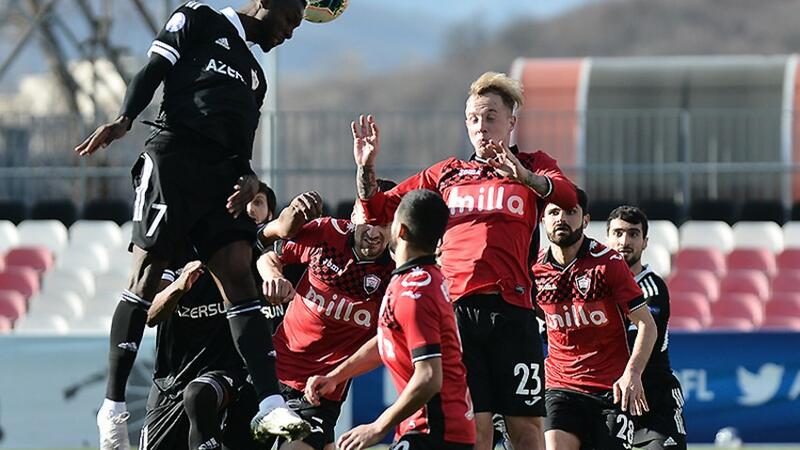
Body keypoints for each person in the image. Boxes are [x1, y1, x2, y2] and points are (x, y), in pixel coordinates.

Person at [74, 1, 311, 447]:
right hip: (174, 158)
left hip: (223, 177)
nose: (292, 33)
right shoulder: (200, 17)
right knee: (145, 278)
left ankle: (270, 405)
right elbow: (154, 67)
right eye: (291, 20)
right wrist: (125, 118)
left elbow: (243, 149)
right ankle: (113, 410)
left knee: (240, 280)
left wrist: (251, 178)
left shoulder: (255, 78)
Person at [351, 72, 577, 450]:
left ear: (511, 122)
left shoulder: (532, 164)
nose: (481, 127)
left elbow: (569, 197)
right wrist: (366, 168)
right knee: (478, 430)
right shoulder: (448, 173)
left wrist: (524, 177)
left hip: (513, 312)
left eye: (490, 117)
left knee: (527, 431)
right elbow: (378, 209)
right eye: (473, 118)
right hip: (457, 313)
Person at [306, 189, 475, 450]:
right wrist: (335, 377)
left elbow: (430, 376)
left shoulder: (415, 292)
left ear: (401, 231)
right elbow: (388, 339)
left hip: (437, 431)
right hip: (422, 429)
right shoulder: (413, 277)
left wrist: (377, 427)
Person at [256, 182, 397, 450]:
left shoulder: (396, 271)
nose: (375, 232)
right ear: (355, 213)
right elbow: (267, 257)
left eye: (386, 223)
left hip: (321, 390)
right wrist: (273, 278)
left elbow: (385, 340)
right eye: (370, 220)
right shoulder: (326, 233)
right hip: (275, 370)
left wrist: (337, 375)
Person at [532, 189, 658, 450]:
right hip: (560, 387)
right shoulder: (534, 269)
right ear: (543, 221)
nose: (561, 219)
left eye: (570, 212)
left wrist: (632, 374)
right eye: (553, 212)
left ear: (586, 220)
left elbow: (647, 324)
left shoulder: (608, 263)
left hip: (610, 390)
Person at [606, 206, 687, 450]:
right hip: (610, 401)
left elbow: (641, 336)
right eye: (618, 233)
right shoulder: (594, 286)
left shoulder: (652, 288)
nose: (625, 241)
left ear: (645, 242)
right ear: (607, 238)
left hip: (655, 399)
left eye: (633, 234)